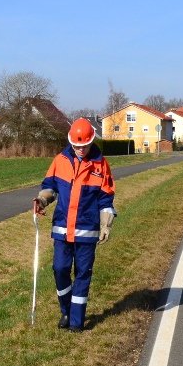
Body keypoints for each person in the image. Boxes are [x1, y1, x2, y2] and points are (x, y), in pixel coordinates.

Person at [33, 118, 116, 333]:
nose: (80, 150)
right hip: (62, 229)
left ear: (91, 142)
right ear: (71, 142)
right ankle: (66, 311)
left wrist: (106, 224)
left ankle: (77, 322)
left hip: (87, 231)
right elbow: (49, 186)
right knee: (59, 269)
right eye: (77, 146)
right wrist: (41, 200)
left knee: (82, 274)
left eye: (85, 145)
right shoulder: (60, 160)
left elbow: (106, 198)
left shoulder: (101, 165)